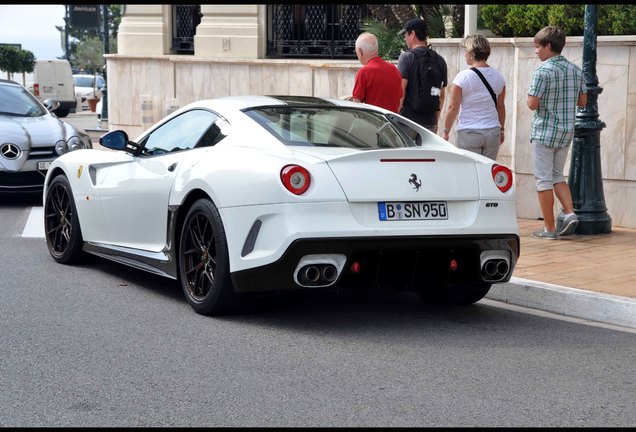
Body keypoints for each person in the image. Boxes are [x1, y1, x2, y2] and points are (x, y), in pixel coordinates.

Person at [527, 26, 587, 240]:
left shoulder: (542, 72)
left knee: (543, 180)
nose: (535, 52)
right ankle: (569, 213)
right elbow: (582, 101)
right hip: (565, 132)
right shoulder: (576, 70)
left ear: (548, 47)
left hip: (544, 132)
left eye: (537, 47)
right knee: (557, 176)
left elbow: (532, 104)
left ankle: (549, 229)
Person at [442, 34, 506, 160]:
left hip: (469, 132)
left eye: (466, 51)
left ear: (472, 53)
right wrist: (502, 129)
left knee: (470, 173)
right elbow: (500, 106)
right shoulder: (499, 77)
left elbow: (453, 107)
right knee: (488, 172)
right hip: (492, 131)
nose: (464, 54)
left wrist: (446, 131)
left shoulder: (462, 77)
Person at [397, 18, 448, 133]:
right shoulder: (440, 60)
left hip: (407, 121)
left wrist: (396, 115)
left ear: (413, 34)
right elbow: (442, 95)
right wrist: (435, 121)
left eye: (405, 34)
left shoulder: (406, 57)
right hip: (430, 121)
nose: (405, 38)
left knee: (405, 151)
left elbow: (401, 91)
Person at [351, 32, 403, 113]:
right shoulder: (394, 70)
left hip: (373, 123)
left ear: (360, 52)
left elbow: (357, 106)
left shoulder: (363, 73)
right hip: (392, 123)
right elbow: (399, 100)